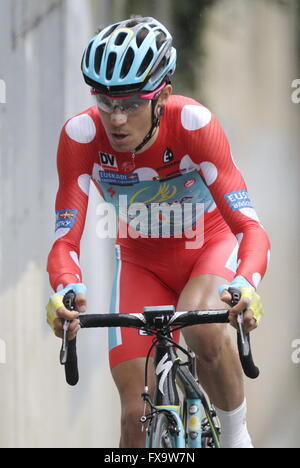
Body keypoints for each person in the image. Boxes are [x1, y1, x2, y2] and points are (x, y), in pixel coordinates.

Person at [46, 16, 270, 448]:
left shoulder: (194, 125)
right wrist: (65, 290)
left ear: (162, 95)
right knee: (134, 415)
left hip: (207, 247)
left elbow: (250, 229)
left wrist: (246, 283)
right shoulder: (80, 136)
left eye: (131, 103)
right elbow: (65, 240)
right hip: (140, 263)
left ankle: (236, 436)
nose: (116, 118)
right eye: (106, 100)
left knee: (203, 326)